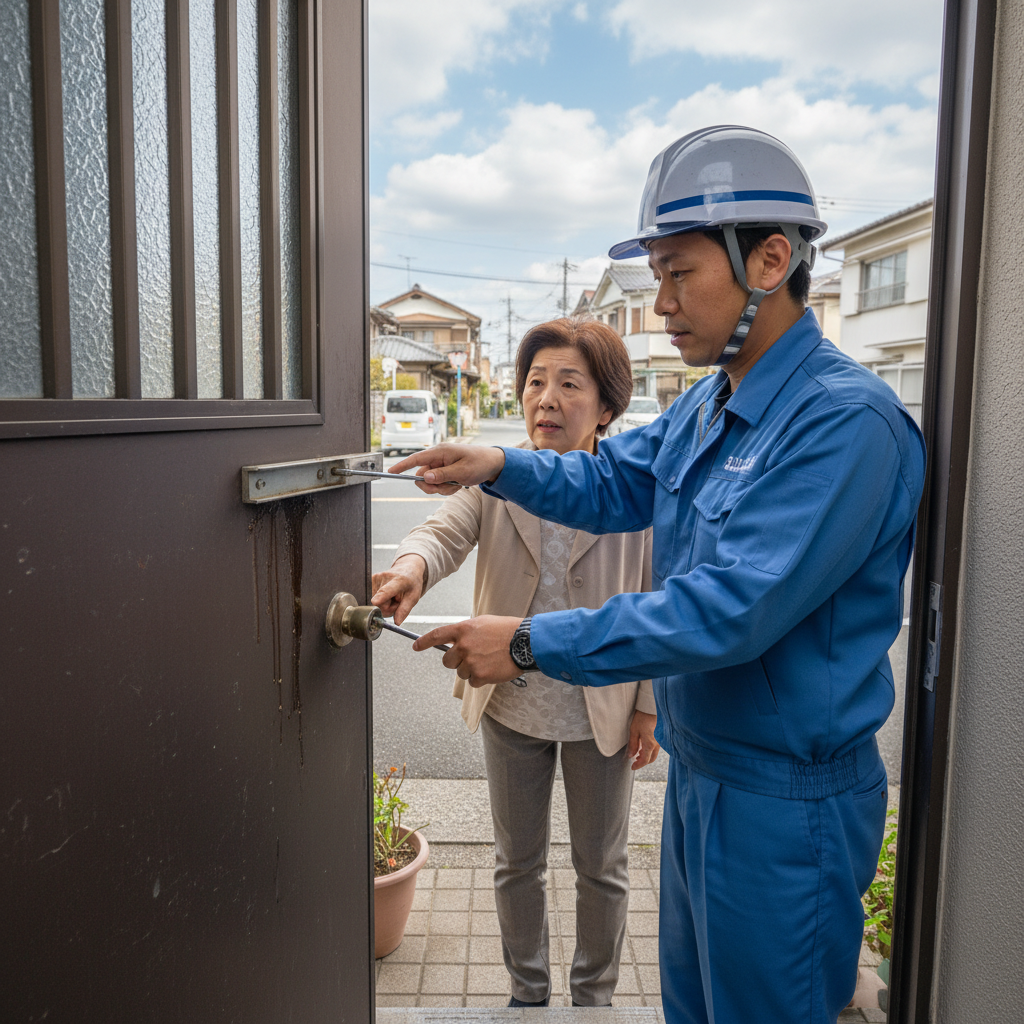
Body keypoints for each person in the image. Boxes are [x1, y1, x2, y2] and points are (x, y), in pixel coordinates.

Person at [388, 126, 927, 1024]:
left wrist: (526, 642)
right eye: (655, 275)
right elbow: (613, 482)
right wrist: (500, 463)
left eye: (678, 274)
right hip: (702, 773)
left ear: (770, 260)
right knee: (694, 1005)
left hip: (785, 804)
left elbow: (726, 610)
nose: (662, 302)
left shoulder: (843, 423)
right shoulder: (713, 402)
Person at [370, 318, 660, 1008]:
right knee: (515, 862)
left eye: (569, 384)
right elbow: (443, 530)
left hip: (602, 709)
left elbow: (660, 598)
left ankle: (593, 999)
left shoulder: (636, 490)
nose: (546, 399)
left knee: (603, 867)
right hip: (512, 704)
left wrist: (649, 704)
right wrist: (410, 568)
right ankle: (527, 996)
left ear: (607, 407)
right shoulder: (498, 475)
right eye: (535, 382)